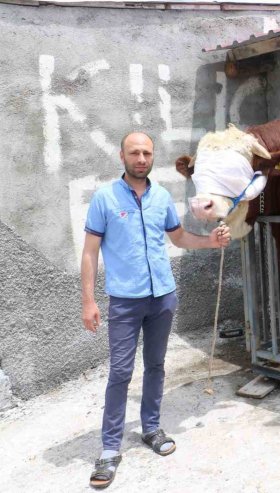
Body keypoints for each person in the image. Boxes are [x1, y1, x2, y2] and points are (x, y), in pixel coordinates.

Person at [81, 131, 231, 489]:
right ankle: (109, 449)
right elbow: (89, 253)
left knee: (156, 366)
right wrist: (88, 300)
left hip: (162, 297)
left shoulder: (161, 196)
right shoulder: (104, 199)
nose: (141, 158)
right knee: (120, 372)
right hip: (125, 302)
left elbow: (177, 237)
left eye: (147, 152)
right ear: (122, 157)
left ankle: (150, 428)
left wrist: (210, 241)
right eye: (134, 152)